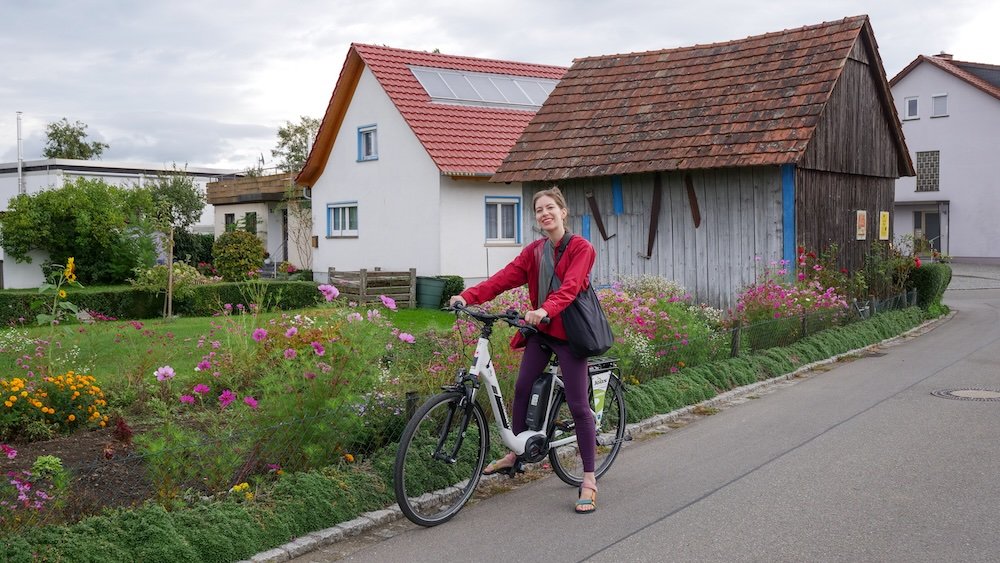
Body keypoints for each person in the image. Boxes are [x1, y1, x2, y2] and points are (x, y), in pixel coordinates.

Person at [449, 186, 599, 514]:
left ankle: (588, 479)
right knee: (521, 388)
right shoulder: (534, 252)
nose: (545, 214)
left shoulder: (582, 248)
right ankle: (516, 453)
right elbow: (502, 279)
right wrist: (468, 296)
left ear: (563, 212)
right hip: (542, 331)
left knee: (578, 404)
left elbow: (572, 287)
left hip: (572, 335)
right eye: (539, 210)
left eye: (550, 208)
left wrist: (545, 309)